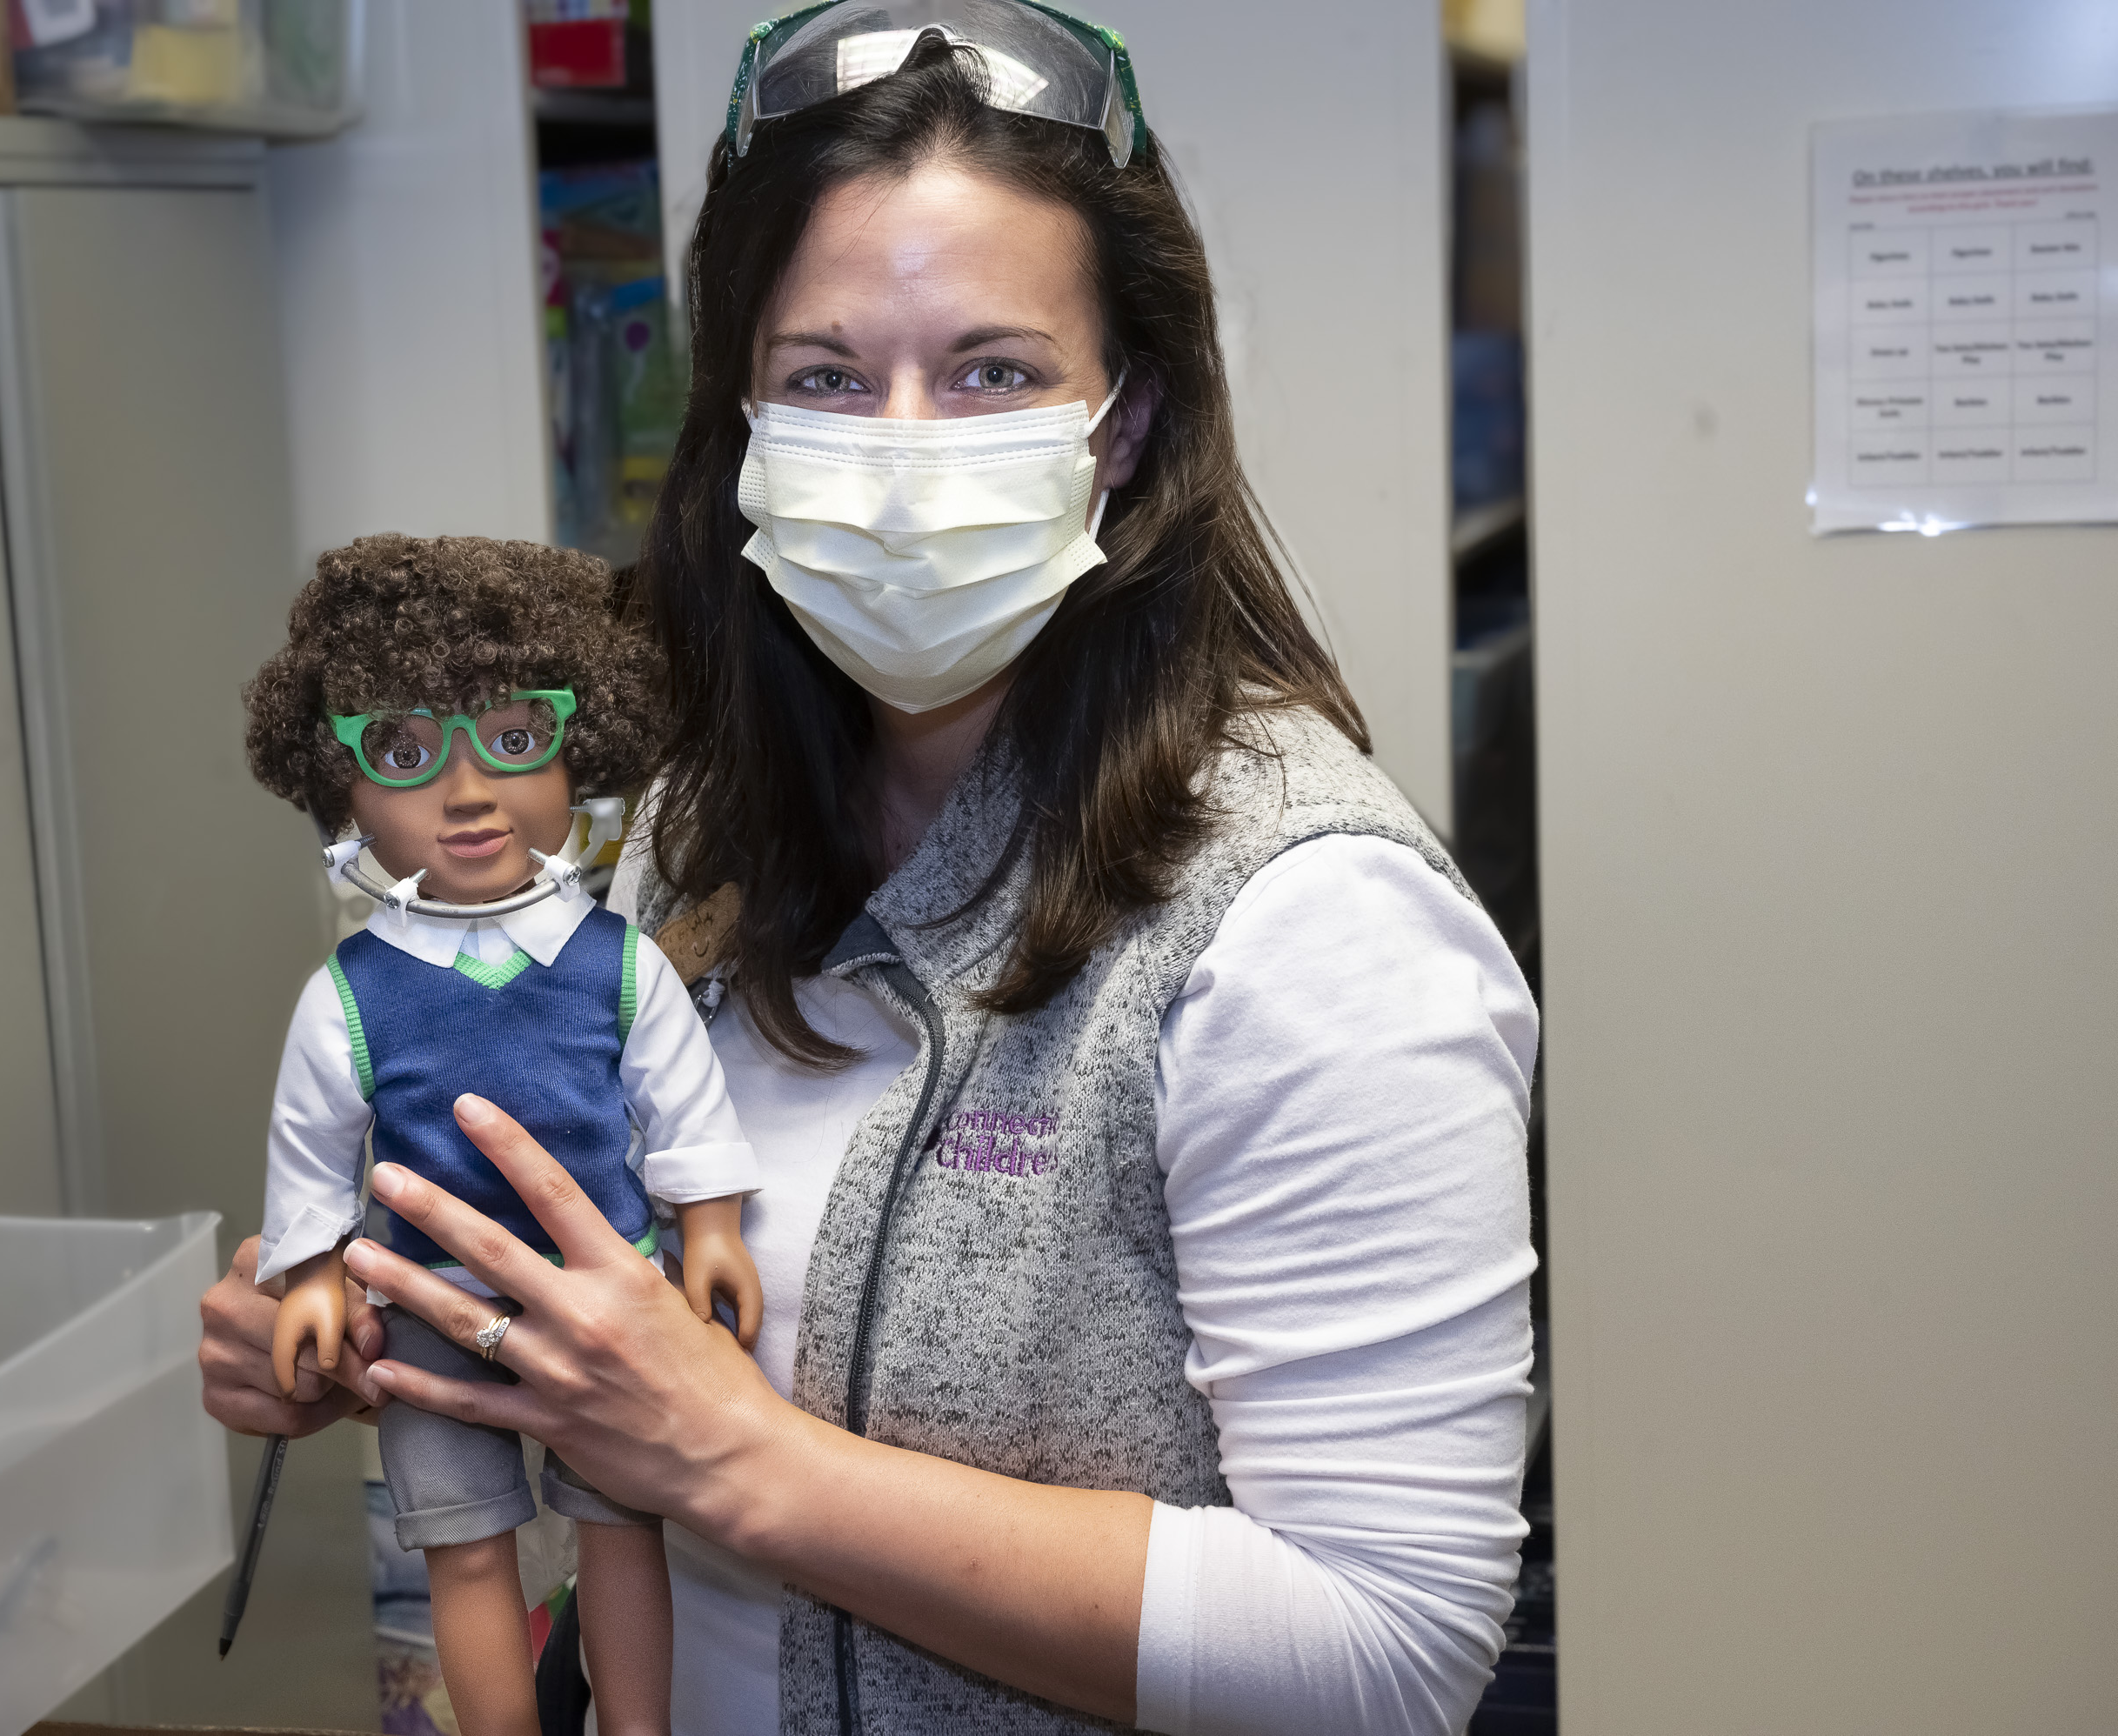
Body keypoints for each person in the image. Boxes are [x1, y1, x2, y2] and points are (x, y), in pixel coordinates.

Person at [202, 15, 1535, 1734]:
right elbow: (621, 1295)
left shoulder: (1307, 920)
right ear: (746, 422)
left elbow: (1386, 1650)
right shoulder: (703, 830)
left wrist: (749, 1464)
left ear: (1123, 419)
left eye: (990, 372)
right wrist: (380, 1314)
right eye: (829, 376)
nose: (903, 454)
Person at [239, 535, 764, 1736]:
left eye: (516, 737)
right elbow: (312, 1145)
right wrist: (312, 1272)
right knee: (464, 1556)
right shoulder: (351, 995)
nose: (466, 791)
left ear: (581, 754)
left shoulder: (621, 965)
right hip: (430, 1314)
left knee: (621, 1533)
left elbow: (684, 1107)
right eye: (407, 752)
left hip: (616, 1302)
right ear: (345, 788)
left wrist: (713, 1229)